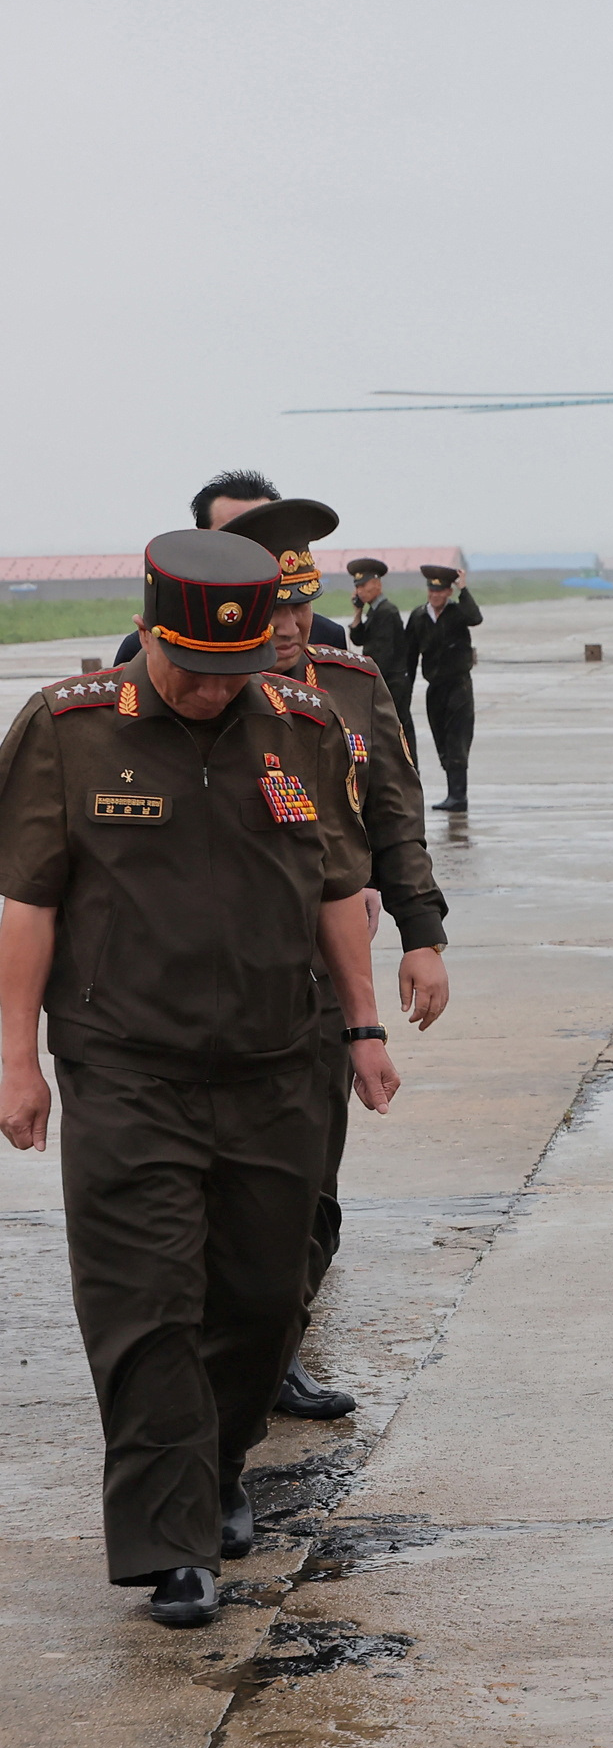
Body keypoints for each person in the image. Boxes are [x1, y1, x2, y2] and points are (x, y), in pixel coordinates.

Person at [0, 528, 396, 1628]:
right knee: (146, 1304)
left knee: (265, 1298)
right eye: (196, 671)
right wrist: (15, 1061)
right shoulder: (70, 728)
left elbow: (335, 887)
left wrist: (363, 1026)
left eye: (240, 670)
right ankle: (172, 1543)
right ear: (149, 634)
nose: (218, 692)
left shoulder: (304, 726)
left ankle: (218, 1462)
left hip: (278, 1059)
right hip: (126, 1065)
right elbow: (27, 901)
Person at [228, 502, 452, 1422]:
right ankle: (225, 1378)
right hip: (212, 976)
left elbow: (395, 814)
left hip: (324, 984)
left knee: (307, 1195)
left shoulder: (352, 685)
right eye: (267, 605)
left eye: (299, 602)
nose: (287, 626)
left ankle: (269, 1357)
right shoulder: (167, 687)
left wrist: (423, 933)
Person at [115, 472, 346, 667]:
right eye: (237, 536)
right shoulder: (155, 644)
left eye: (263, 531)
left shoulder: (323, 638)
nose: (288, 628)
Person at [404, 565, 482, 813]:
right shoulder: (418, 617)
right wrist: (406, 688)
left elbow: (475, 618)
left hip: (459, 686)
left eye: (440, 591)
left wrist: (464, 589)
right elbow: (410, 655)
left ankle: (458, 796)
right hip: (435, 688)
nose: (435, 595)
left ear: (448, 592)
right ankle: (453, 793)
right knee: (441, 740)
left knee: (456, 739)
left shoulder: (458, 613)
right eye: (431, 590)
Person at [346, 559, 415, 756]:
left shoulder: (386, 612)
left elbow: (381, 655)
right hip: (385, 681)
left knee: (398, 731)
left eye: (363, 585)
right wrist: (357, 611)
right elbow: (358, 639)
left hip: (392, 682)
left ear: (377, 584)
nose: (360, 591)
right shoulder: (374, 611)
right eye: (357, 587)